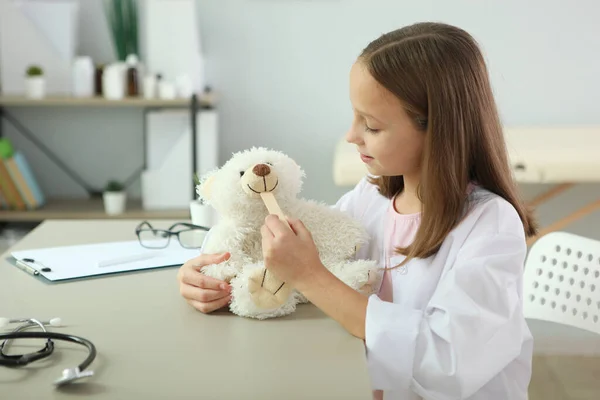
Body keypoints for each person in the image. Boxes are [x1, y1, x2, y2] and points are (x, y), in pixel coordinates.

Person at [177, 21, 538, 400]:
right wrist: (213, 272)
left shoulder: (490, 226)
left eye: (372, 125)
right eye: (355, 117)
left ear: (437, 130)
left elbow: (446, 364)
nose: (351, 135)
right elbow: (300, 249)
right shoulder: (371, 197)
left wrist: (311, 277)